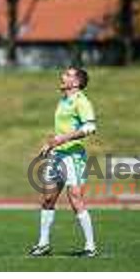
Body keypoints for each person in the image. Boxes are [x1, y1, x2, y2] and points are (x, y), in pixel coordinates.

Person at [29, 67, 97, 257]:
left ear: (76, 82)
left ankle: (90, 246)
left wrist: (64, 138)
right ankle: (43, 244)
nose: (62, 76)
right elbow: (62, 130)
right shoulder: (63, 101)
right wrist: (50, 144)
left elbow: (90, 127)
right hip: (57, 155)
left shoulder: (81, 101)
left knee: (75, 198)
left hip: (73, 156)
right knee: (48, 198)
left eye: (67, 75)